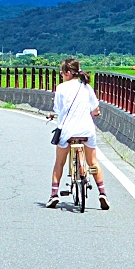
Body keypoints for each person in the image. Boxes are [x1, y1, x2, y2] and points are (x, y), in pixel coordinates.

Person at [46, 57, 109, 210]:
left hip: (67, 131)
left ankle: (54, 194)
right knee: (93, 161)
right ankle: (102, 193)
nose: (61, 75)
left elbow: (58, 110)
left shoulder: (61, 88)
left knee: (59, 163)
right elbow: (95, 109)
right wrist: (95, 113)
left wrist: (53, 115)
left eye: (62, 73)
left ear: (68, 73)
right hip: (86, 130)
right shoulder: (87, 87)